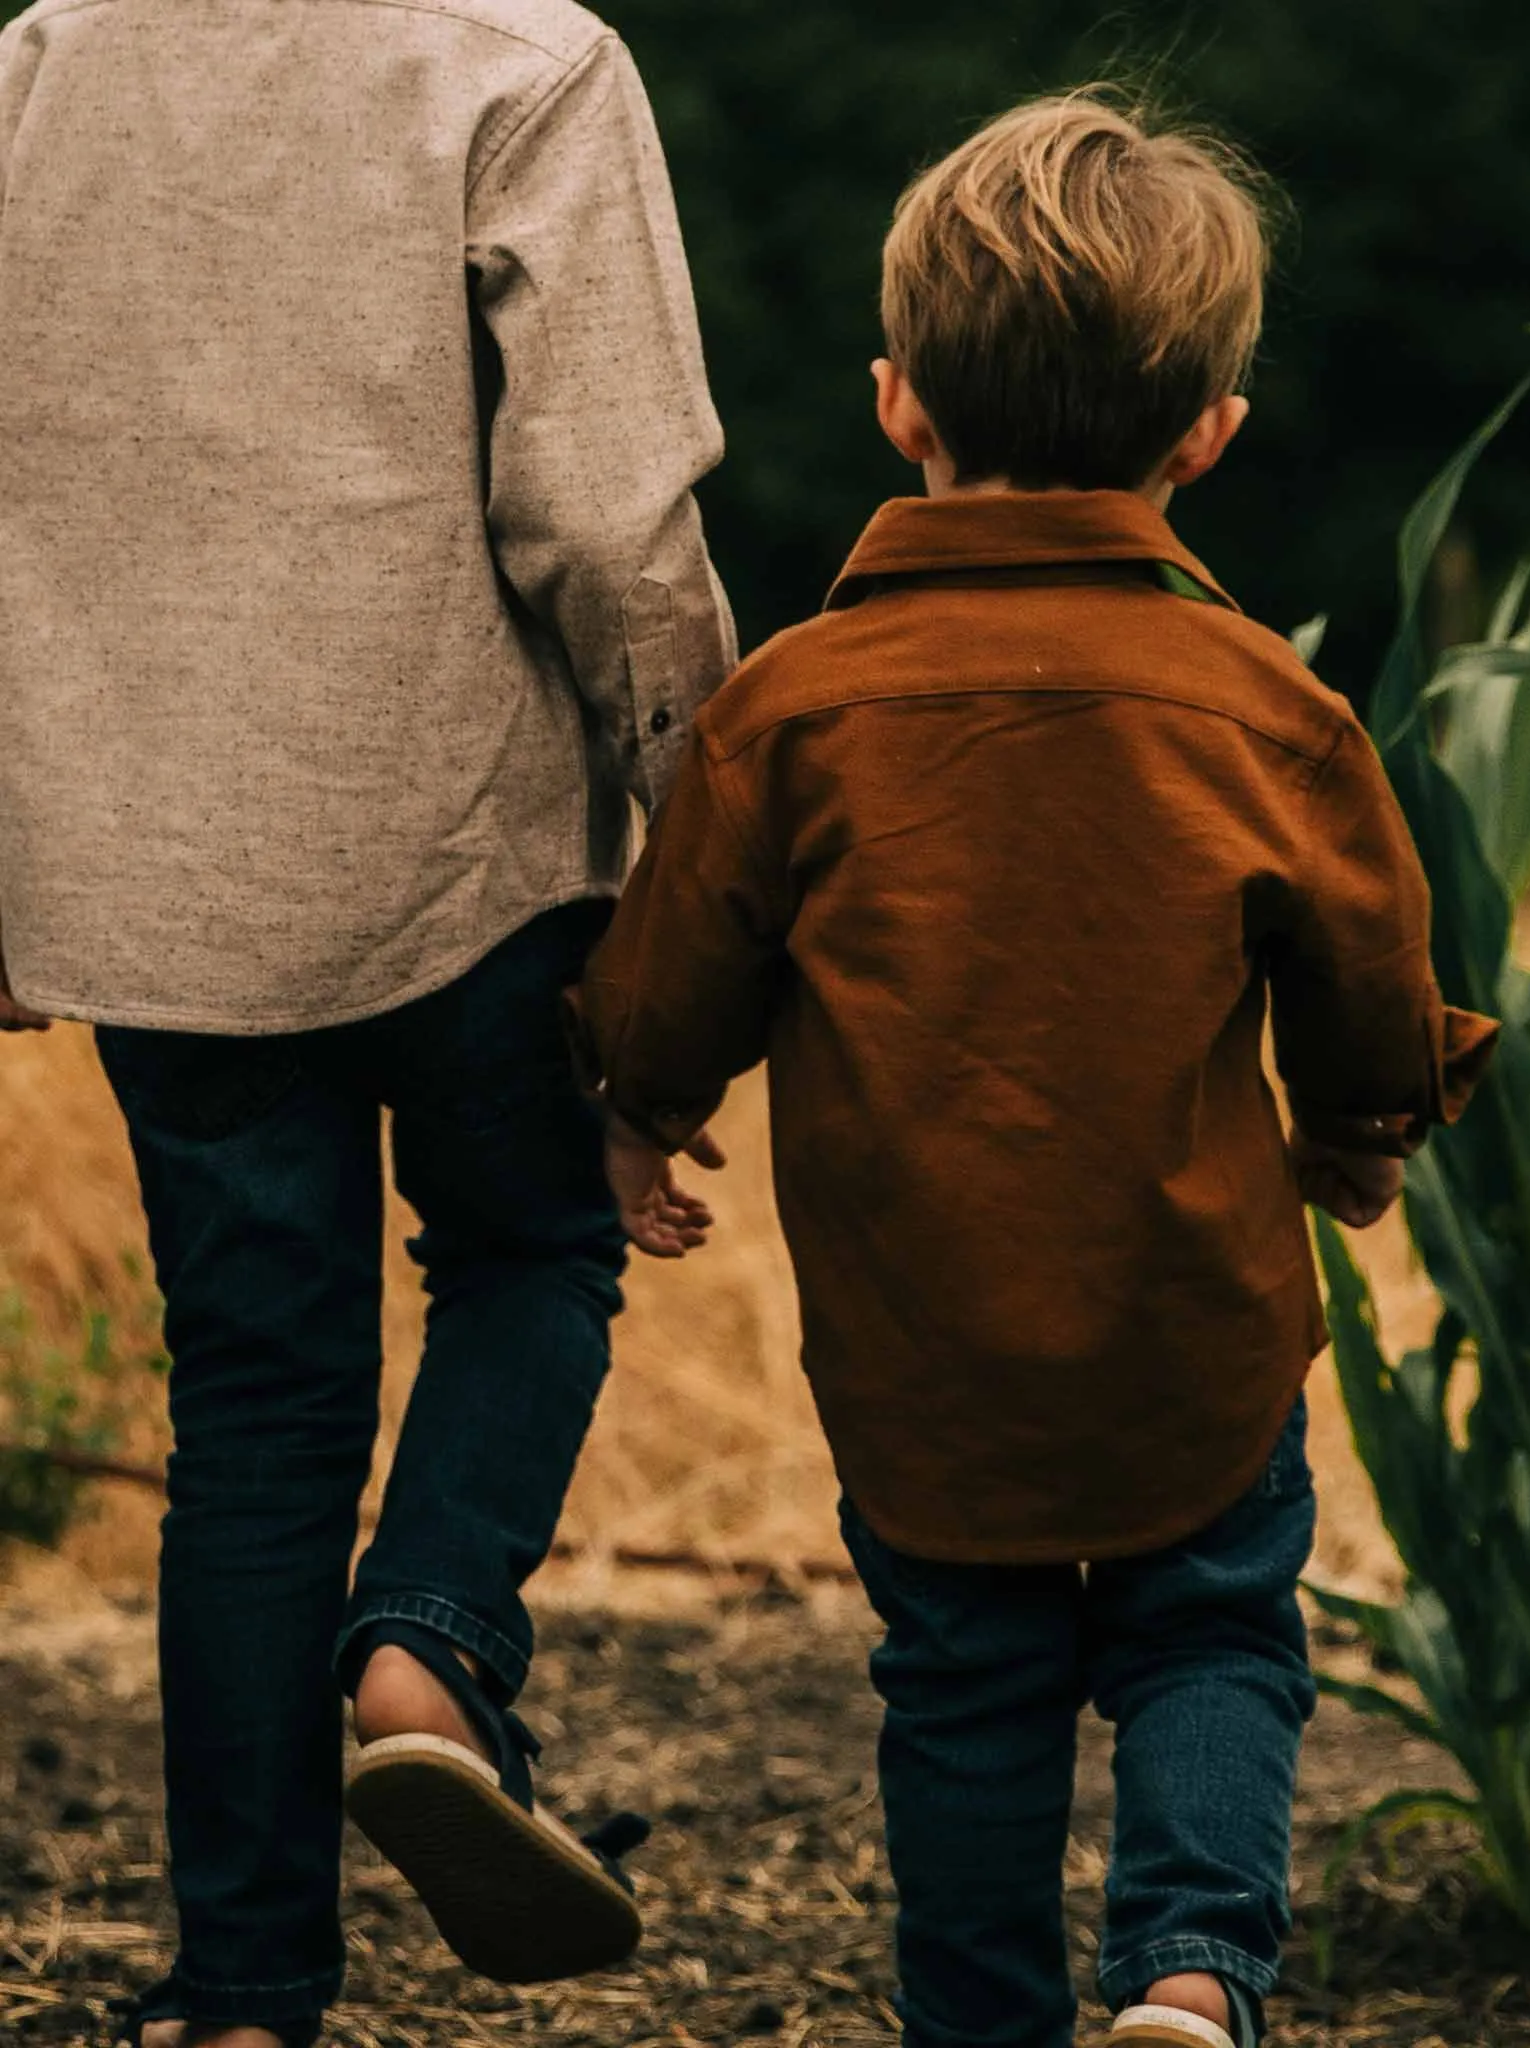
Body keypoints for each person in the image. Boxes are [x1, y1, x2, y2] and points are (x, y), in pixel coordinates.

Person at [571, 89, 1499, 2048]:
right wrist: (1358, 1133)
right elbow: (1365, 960)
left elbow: (676, 973)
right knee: (1216, 1632)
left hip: (922, 1334)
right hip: (1195, 1312)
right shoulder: (1268, 709)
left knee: (964, 1678)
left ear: (901, 405)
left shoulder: (789, 712)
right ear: (1207, 435)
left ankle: (979, 2018)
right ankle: (1182, 1968)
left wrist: (642, 1113)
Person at [0, 0, 736, 2040]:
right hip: (467, 856)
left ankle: (242, 1997)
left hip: (160, 868)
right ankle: (424, 1653)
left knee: (250, 1413)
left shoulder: (38, 63)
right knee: (527, 1251)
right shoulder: (520, 63)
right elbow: (604, 523)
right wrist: (698, 845)